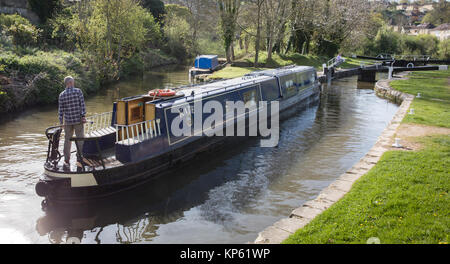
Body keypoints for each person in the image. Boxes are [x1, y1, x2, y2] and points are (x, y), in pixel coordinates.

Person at [58, 76, 86, 168]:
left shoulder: (62, 95)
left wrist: (61, 122)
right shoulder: (78, 91)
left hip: (68, 121)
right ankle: (79, 157)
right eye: (73, 82)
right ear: (69, 83)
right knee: (80, 139)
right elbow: (82, 105)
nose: (73, 83)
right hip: (78, 120)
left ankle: (66, 159)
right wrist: (83, 116)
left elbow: (60, 110)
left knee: (67, 140)